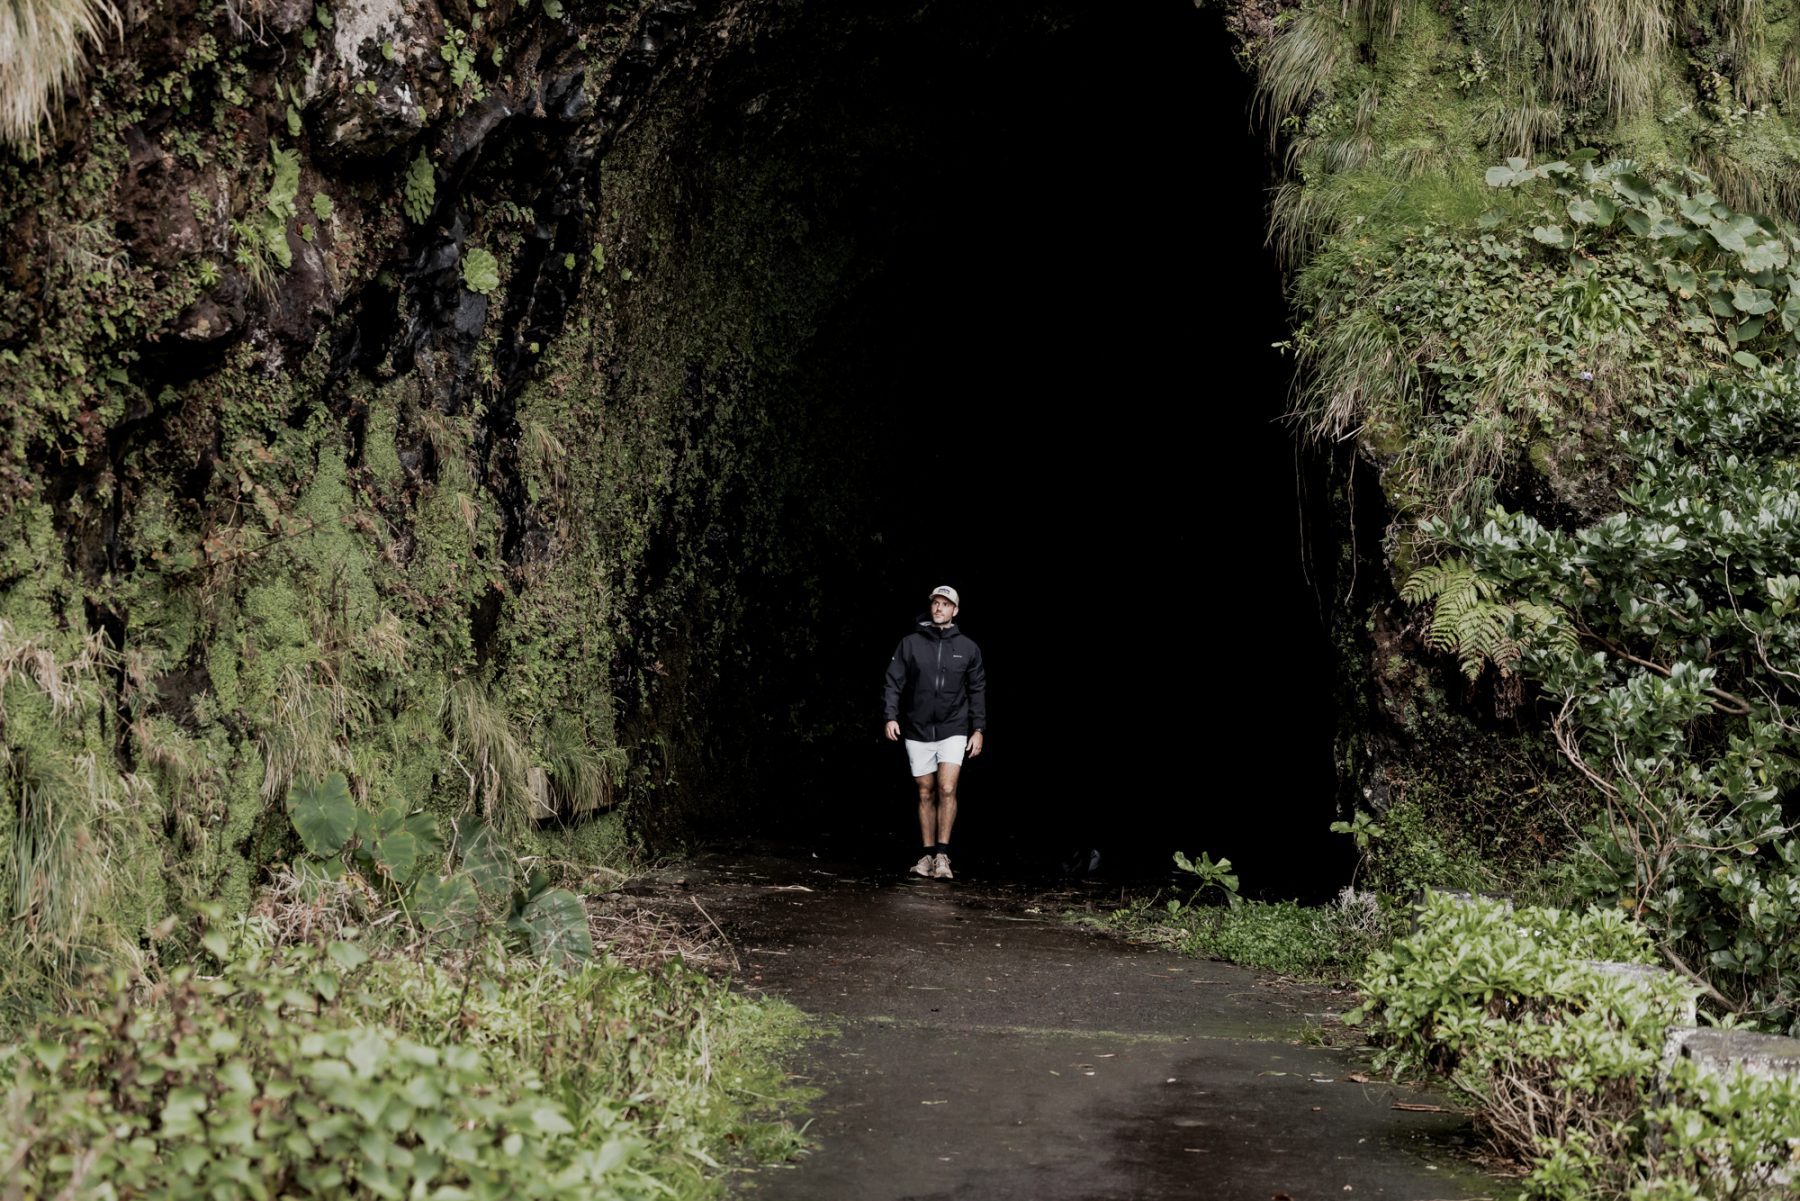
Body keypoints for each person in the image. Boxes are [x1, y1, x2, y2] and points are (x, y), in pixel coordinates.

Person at [882, 585, 986, 879]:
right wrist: (890, 716)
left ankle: (943, 856)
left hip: (954, 727)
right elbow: (893, 681)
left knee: (948, 788)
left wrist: (978, 729)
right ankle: (926, 856)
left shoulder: (968, 648)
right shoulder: (910, 643)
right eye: (935, 603)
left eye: (945, 604)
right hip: (917, 728)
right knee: (925, 790)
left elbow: (977, 689)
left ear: (955, 610)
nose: (939, 608)